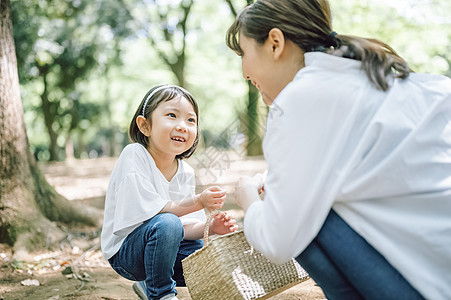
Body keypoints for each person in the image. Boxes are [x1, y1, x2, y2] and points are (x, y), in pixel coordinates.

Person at [227, 1, 451, 299]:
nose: (244, 72)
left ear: (275, 43)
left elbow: (277, 241)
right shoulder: (384, 77)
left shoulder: (300, 100)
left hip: (429, 285)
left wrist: (249, 198)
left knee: (298, 209)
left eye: (244, 53)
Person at [100, 85, 238, 300]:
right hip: (127, 255)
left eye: (191, 120)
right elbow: (158, 215)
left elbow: (184, 229)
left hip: (164, 249)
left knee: (204, 251)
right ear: (145, 126)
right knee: (167, 222)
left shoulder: (185, 171)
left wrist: (209, 227)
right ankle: (162, 294)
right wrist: (199, 201)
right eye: (172, 115)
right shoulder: (134, 155)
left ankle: (149, 285)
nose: (183, 126)